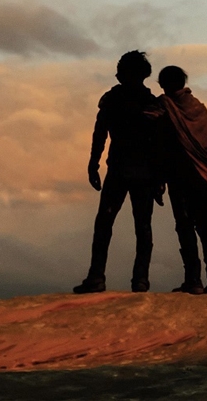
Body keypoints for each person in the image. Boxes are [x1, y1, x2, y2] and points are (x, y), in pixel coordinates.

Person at [73, 51, 162, 294]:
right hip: (140, 172)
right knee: (141, 226)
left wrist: (94, 163)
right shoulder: (151, 104)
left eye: (121, 70)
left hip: (122, 170)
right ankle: (139, 280)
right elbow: (159, 144)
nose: (117, 74)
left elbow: (100, 133)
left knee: (107, 223)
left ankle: (98, 276)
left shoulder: (114, 100)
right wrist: (159, 178)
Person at [147, 65, 207, 295]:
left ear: (163, 84)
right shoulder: (199, 108)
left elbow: (158, 145)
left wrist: (158, 179)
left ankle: (194, 280)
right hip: (204, 177)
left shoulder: (163, 107)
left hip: (179, 176)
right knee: (206, 227)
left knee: (185, 227)